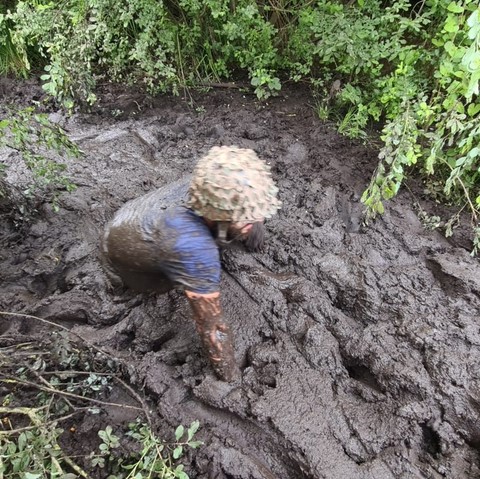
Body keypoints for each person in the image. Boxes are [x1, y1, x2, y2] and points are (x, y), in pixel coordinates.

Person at [102, 146, 281, 382]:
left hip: (135, 216)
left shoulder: (213, 183)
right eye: (246, 215)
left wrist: (251, 228)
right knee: (161, 285)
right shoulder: (194, 247)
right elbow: (212, 327)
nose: (258, 217)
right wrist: (230, 376)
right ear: (217, 213)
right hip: (129, 263)